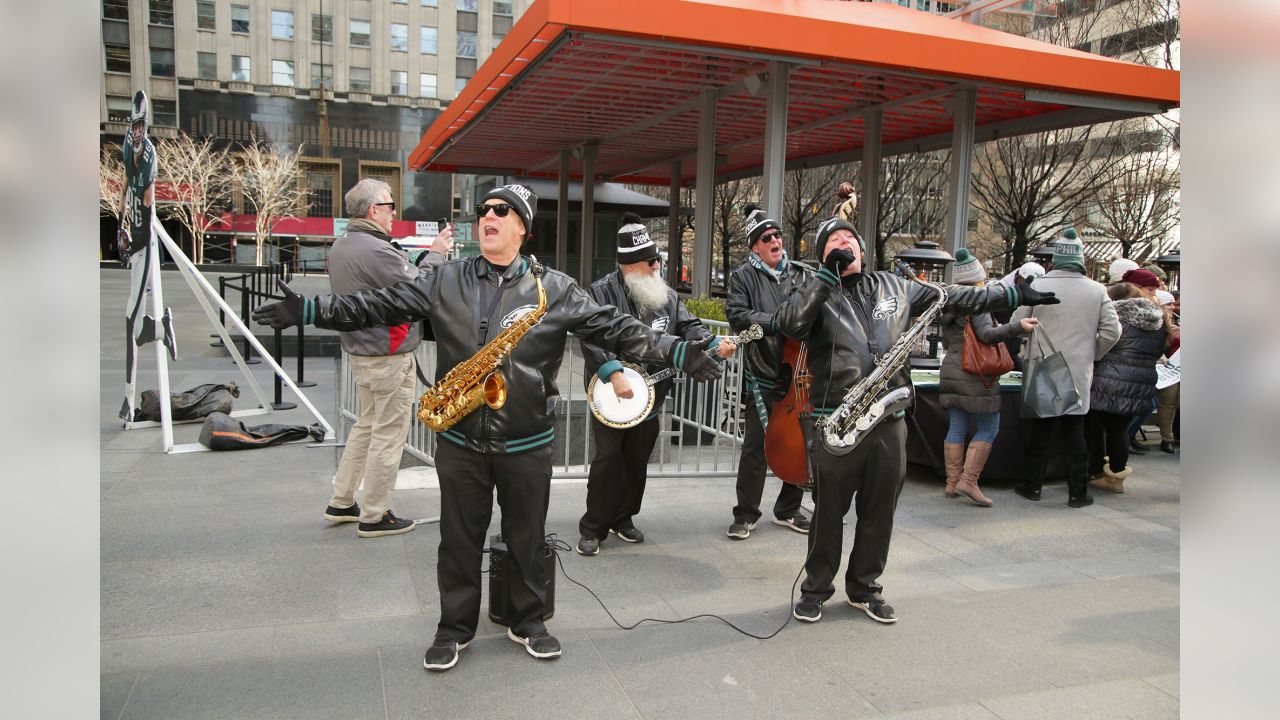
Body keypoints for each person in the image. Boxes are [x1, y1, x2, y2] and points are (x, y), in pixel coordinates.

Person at [253, 184, 722, 672]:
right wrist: (310, 310)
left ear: (522, 227)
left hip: (528, 440)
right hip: (460, 438)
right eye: (483, 210)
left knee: (527, 537)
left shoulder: (555, 289)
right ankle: (453, 629)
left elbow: (613, 327)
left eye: (502, 211)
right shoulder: (445, 280)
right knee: (458, 539)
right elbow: (378, 304)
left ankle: (529, 621)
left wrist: (679, 350)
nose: (488, 216)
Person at [776, 217, 1060, 625]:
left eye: (849, 238)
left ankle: (865, 587)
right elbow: (790, 324)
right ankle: (815, 589)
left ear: (861, 248)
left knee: (880, 511)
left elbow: (958, 297)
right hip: (836, 418)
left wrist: (1012, 292)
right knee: (827, 512)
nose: (844, 243)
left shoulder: (894, 285)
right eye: (834, 240)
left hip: (889, 417)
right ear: (823, 253)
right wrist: (824, 278)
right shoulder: (813, 291)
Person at [576, 214, 736, 556]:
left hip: (652, 396)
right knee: (607, 460)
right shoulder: (600, 292)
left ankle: (623, 518)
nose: (656, 267)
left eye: (657, 259)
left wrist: (711, 342)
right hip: (612, 394)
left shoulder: (664, 294)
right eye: (651, 261)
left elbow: (689, 326)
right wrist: (614, 372)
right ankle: (593, 525)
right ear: (630, 265)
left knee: (637, 460)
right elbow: (591, 339)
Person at [321, 179, 452, 538]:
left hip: (362, 353)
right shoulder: (376, 250)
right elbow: (419, 288)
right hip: (387, 354)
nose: (394, 211)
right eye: (390, 205)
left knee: (365, 427)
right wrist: (437, 253)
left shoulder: (342, 245)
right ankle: (375, 514)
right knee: (388, 435)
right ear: (372, 211)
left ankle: (343, 500)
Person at [1009, 228, 1122, 508]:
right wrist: (1091, 352)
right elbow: (1112, 331)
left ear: (1056, 258)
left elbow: (1016, 320)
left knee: (1041, 429)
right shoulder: (1097, 290)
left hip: (1043, 365)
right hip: (1078, 368)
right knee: (1075, 430)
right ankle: (1077, 493)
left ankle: (1032, 485)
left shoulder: (1037, 284)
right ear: (1081, 259)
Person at [724, 204, 813, 540]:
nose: (776, 240)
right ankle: (745, 514)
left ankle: (788, 509)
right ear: (755, 246)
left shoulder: (802, 274)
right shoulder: (742, 277)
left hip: (799, 374)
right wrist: (774, 321)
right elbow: (737, 314)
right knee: (756, 449)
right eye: (767, 237)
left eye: (777, 235)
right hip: (763, 373)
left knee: (799, 443)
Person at [938, 249, 1039, 507]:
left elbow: (949, 340)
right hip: (976, 373)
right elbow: (987, 336)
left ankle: (951, 483)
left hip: (952, 369)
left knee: (957, 427)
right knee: (989, 427)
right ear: (979, 279)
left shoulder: (949, 301)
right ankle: (969, 482)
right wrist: (1018, 326)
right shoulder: (979, 302)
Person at [118, 90, 177, 422]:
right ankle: (159, 327)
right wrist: (121, 226)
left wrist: (137, 234)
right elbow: (125, 187)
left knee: (130, 323)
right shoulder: (129, 148)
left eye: (141, 126)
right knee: (132, 324)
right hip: (136, 245)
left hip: (146, 245)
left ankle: (128, 400)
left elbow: (148, 204)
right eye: (135, 126)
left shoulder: (150, 156)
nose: (138, 132)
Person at [1085, 274, 1172, 493]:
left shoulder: (1113, 317)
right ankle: (1117, 476)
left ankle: (1095, 471)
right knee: (1119, 429)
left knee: (1096, 428)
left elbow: (1099, 346)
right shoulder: (1158, 321)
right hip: (1141, 382)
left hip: (1107, 379)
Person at [993, 261, 1045, 370]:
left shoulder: (1015, 289)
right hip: (999, 350)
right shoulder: (1001, 294)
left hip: (1010, 349)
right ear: (1019, 277)